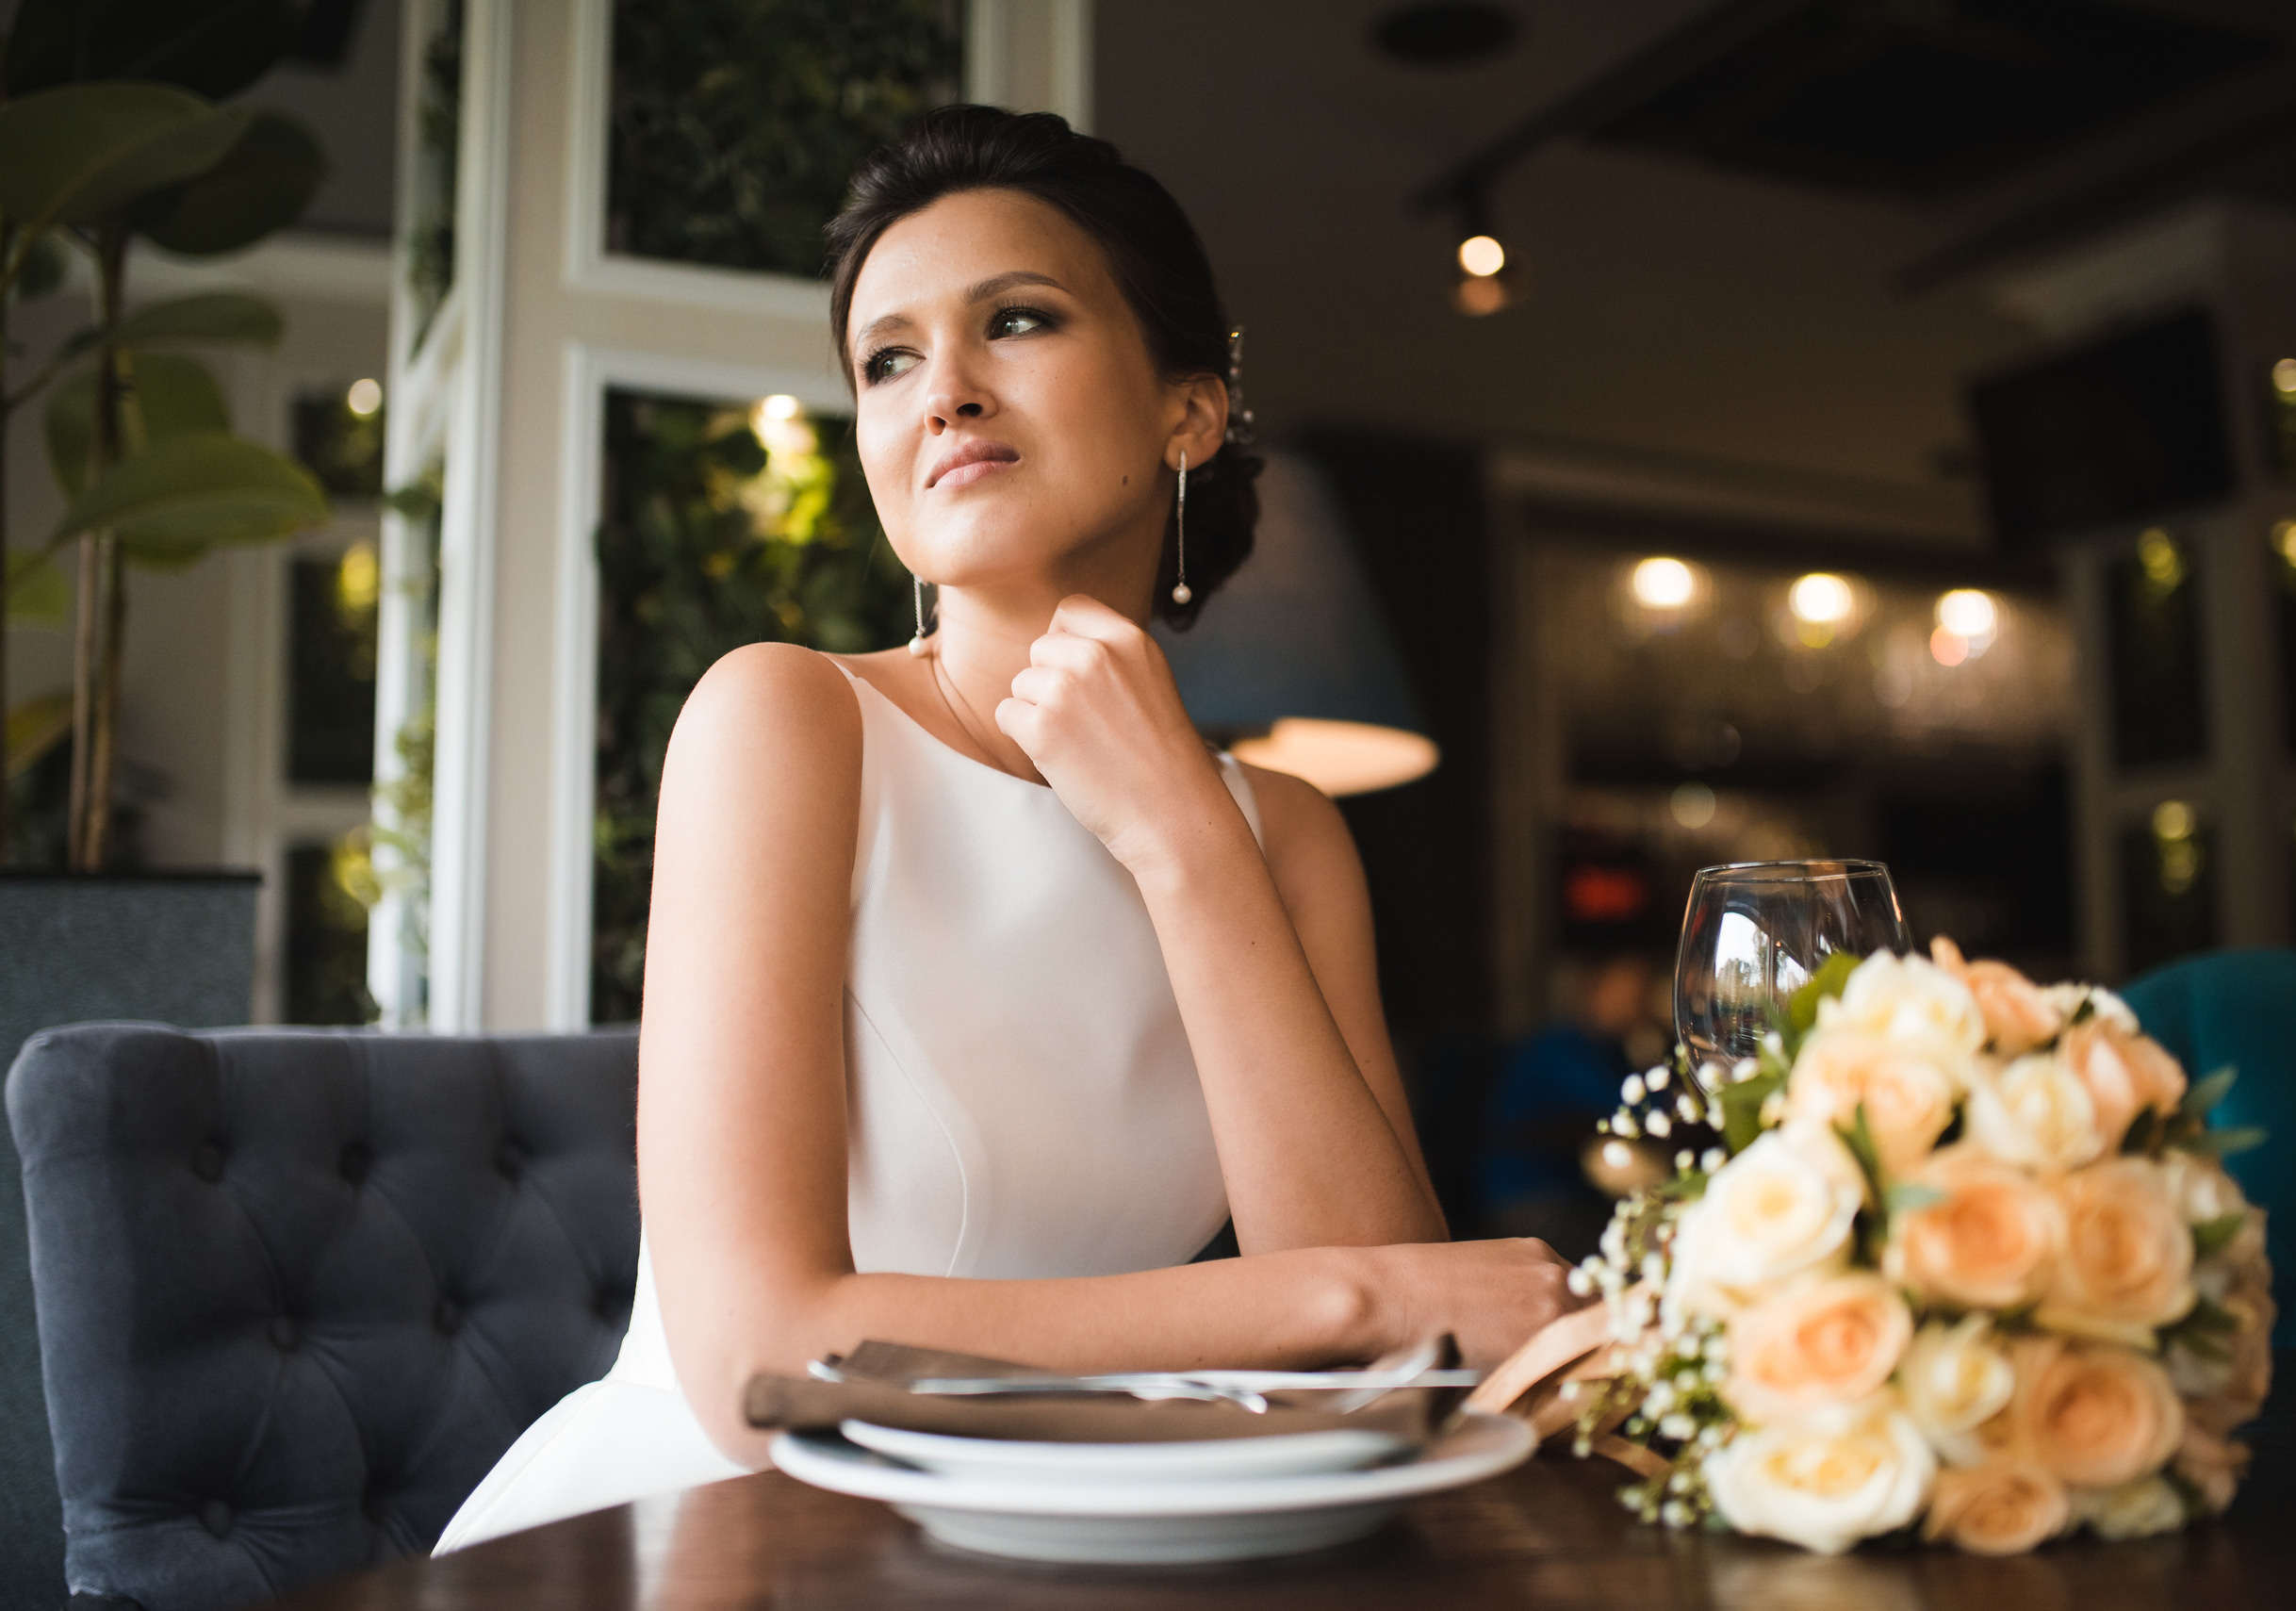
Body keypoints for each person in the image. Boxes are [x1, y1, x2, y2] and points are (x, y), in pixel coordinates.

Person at [437, 107, 1574, 1551]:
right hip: (717, 1533)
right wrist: (1353, 1304)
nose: (944, 393)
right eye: (889, 359)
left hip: (1085, 1540)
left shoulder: (1282, 835)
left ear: (1189, 409)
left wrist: (1183, 833)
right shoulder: (783, 722)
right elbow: (758, 1364)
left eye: (1017, 321)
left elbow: (1392, 1371)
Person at [1477, 945, 1669, 1259]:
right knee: (1642, 1249)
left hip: (1574, 1194)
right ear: (1593, 989)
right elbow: (1629, 1110)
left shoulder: (1608, 1050)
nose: (1637, 1003)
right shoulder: (1559, 1048)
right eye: (1628, 991)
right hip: (1529, 1198)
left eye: (1643, 991)